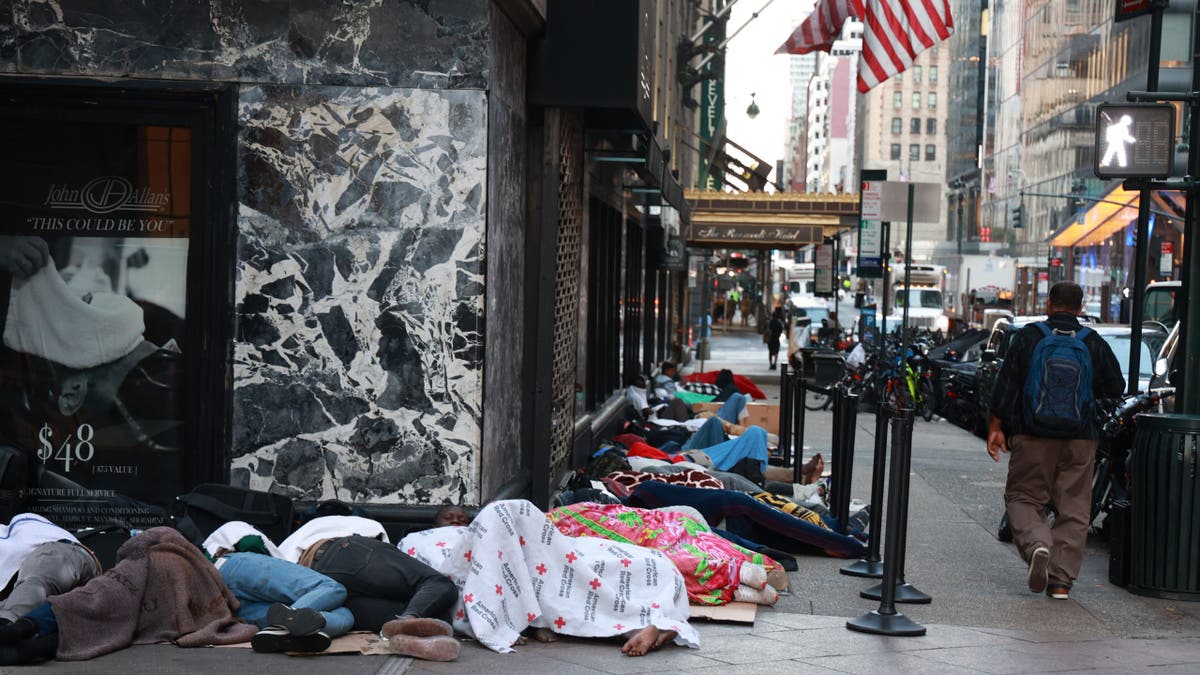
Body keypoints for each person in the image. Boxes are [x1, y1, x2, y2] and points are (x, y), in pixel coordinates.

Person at [986, 281, 1124, 600]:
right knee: (1074, 508)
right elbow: (1115, 387)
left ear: (1049, 304)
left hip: (1033, 435)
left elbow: (1006, 384)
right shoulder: (1093, 342)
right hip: (1080, 439)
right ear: (1080, 308)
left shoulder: (1030, 337)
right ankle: (1060, 581)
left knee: (1022, 497)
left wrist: (996, 426)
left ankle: (1038, 545)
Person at [1, 514, 100, 624]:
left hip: (60, 553)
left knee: (35, 582)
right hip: (65, 592)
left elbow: (36, 582)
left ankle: (7, 625)